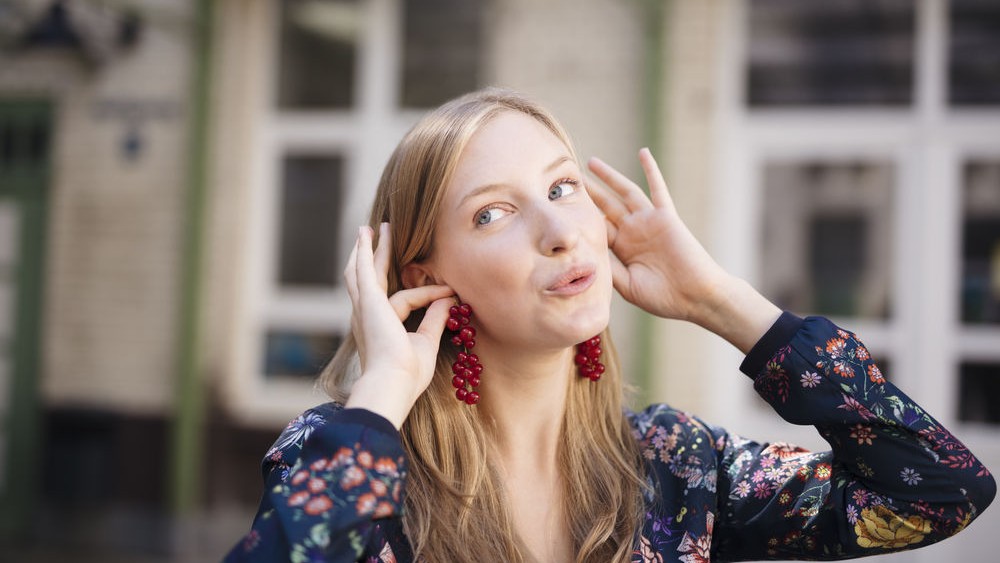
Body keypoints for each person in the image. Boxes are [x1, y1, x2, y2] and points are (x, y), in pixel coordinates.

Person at [223, 89, 995, 563]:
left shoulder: (677, 467)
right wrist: (385, 389)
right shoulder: (347, 456)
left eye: (562, 186)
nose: (559, 229)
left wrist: (722, 302)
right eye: (492, 212)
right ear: (426, 277)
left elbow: (938, 492)